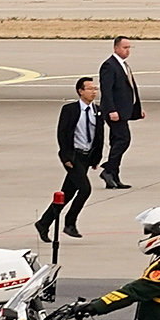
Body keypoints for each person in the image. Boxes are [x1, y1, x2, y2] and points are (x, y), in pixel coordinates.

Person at [40, 76, 103, 243]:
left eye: (95, 89)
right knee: (85, 189)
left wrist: (97, 157)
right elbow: (62, 133)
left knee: (67, 194)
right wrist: (66, 156)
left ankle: (43, 223)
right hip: (73, 157)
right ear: (80, 91)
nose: (93, 92)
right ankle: (70, 223)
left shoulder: (97, 110)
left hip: (87, 157)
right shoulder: (70, 110)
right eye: (90, 89)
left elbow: (100, 136)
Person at [96, 37, 141, 188]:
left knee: (117, 141)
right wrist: (111, 110)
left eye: (129, 47)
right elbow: (106, 91)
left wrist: (137, 110)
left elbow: (130, 89)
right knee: (124, 139)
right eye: (124, 47)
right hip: (115, 112)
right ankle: (108, 170)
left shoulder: (124, 65)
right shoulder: (109, 66)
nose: (127, 50)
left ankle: (113, 177)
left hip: (124, 111)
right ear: (116, 48)